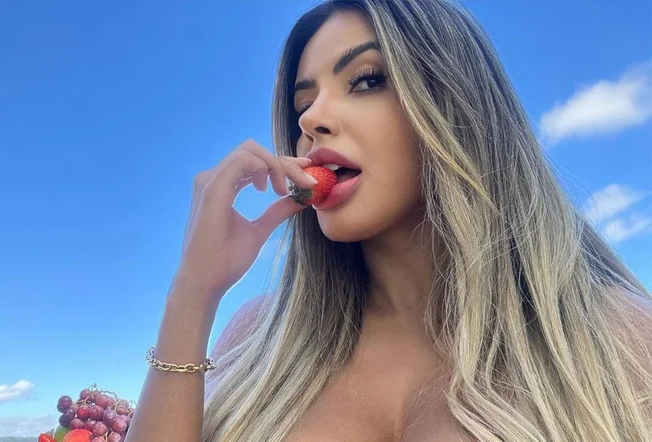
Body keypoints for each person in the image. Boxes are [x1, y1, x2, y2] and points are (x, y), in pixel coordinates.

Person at [126, 1, 652, 441]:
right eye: (302, 103)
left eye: (367, 80)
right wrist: (192, 294)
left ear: (456, 104)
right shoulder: (257, 338)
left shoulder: (617, 338)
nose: (310, 119)